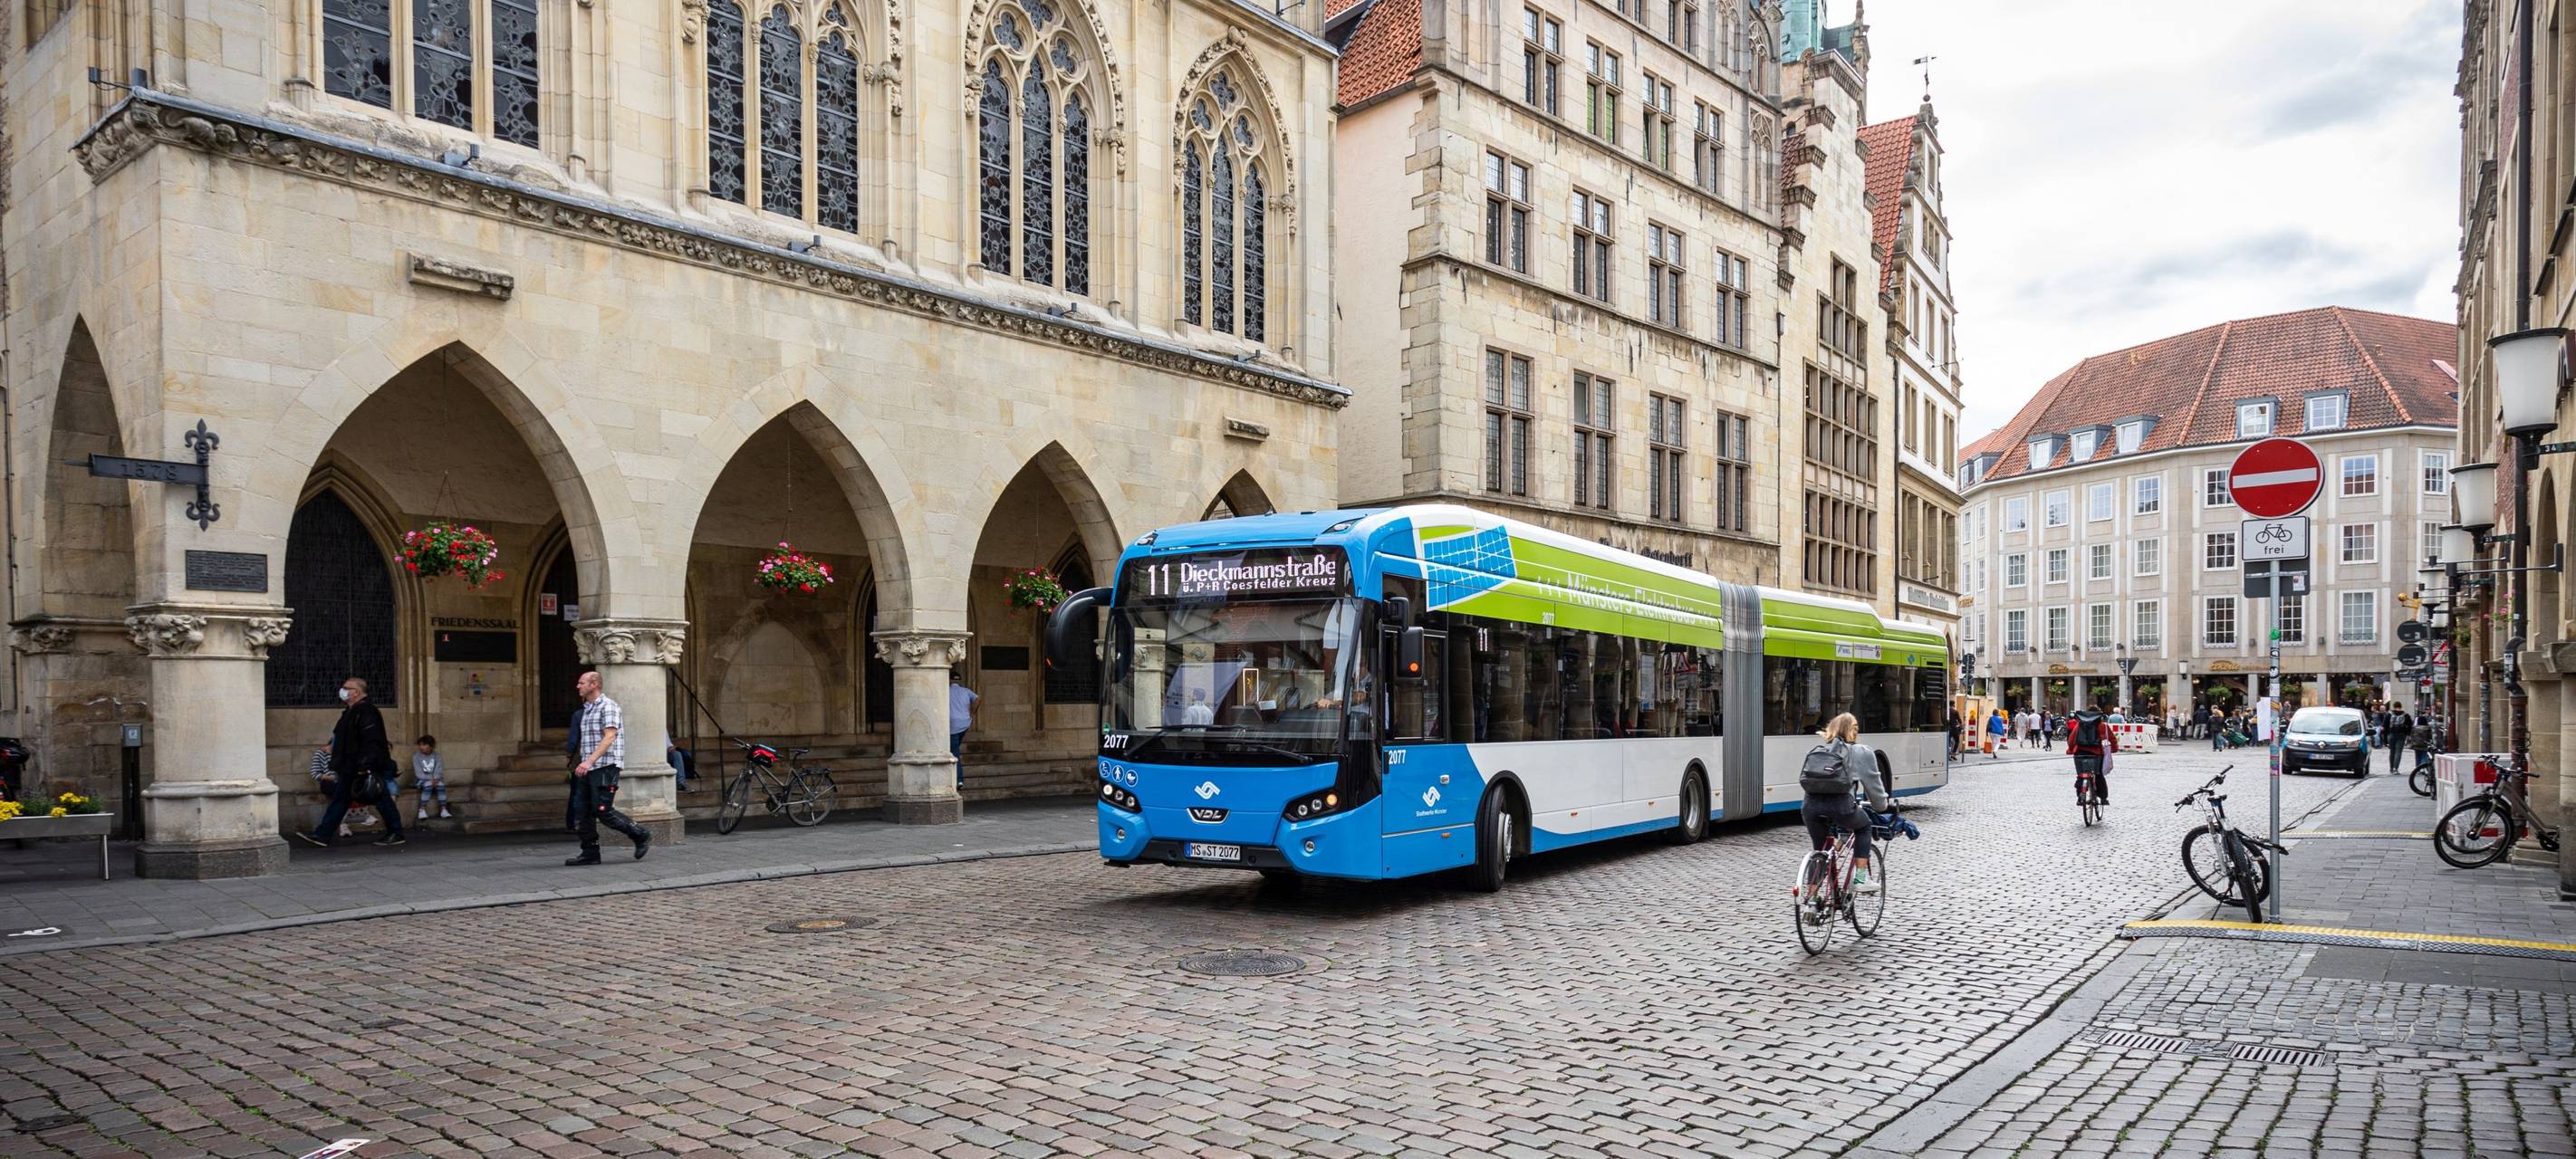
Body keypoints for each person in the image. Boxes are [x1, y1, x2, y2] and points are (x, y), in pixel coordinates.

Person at [294, 676, 406, 848]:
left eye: (347, 687)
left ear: (357, 692)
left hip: (361, 766)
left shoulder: (367, 711)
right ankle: (322, 834)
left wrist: (365, 765)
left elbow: (372, 740)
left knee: (380, 797)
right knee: (341, 799)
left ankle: (396, 832)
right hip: (349, 766)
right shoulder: (351, 711)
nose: (343, 689)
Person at [1799, 713, 1896, 894]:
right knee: (1864, 827)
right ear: (1854, 730)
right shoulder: (1861, 752)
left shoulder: (1819, 751)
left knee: (1820, 851)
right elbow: (1874, 789)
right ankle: (1860, 879)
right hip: (1841, 807)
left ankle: (1811, 900)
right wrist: (1881, 806)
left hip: (1810, 808)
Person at [566, 670, 650, 866]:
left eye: (582, 682)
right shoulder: (587, 710)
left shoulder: (608, 706)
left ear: (594, 684)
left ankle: (640, 835)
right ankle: (590, 852)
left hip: (605, 766)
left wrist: (588, 762)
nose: (578, 686)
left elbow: (609, 736)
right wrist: (582, 763)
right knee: (582, 812)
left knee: (603, 810)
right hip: (588, 768)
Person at [2067, 694, 2120, 804]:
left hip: (2079, 753)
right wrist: (2114, 749)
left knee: (2081, 775)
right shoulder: (2103, 725)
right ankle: (2103, 798)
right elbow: (2113, 740)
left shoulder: (2080, 724)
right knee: (2098, 775)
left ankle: (2080, 796)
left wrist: (2070, 749)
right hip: (2096, 754)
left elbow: (2071, 739)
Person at [948, 670, 979, 790]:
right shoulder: (966, 691)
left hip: (953, 725)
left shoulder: (946, 691)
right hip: (965, 723)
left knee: (955, 752)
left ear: (950, 680)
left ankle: (959, 779)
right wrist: (972, 713)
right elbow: (977, 699)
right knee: (953, 748)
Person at [412, 734, 451, 822]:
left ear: (431, 746)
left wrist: (436, 778)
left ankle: (443, 809)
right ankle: (421, 810)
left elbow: (439, 770)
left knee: (441, 784)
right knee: (428, 784)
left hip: (435, 779)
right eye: (420, 745)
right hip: (420, 780)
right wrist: (431, 779)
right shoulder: (416, 757)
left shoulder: (437, 756)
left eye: (424, 745)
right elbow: (418, 774)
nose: (421, 747)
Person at [2384, 703, 2415, 775]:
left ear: (2394, 706)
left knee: (2392, 751)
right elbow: (2410, 726)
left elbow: (2384, 725)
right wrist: (2407, 734)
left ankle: (2391, 768)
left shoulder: (2389, 714)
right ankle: (2396, 768)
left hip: (2391, 734)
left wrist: (2386, 737)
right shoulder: (2406, 715)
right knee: (2398, 752)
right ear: (2401, 707)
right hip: (2401, 735)